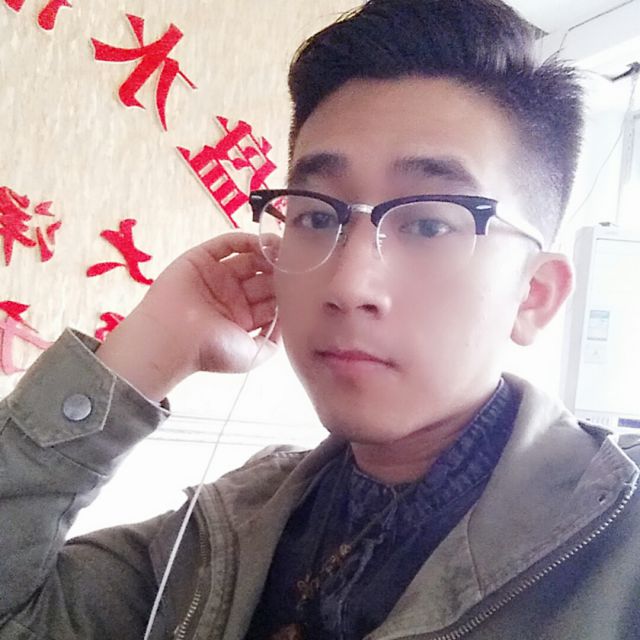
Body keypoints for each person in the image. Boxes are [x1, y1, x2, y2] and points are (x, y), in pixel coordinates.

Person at [1, 0, 639, 638]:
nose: (348, 283)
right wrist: (143, 354)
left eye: (427, 224)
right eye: (315, 216)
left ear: (534, 295)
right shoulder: (227, 534)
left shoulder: (617, 539)